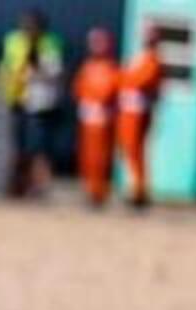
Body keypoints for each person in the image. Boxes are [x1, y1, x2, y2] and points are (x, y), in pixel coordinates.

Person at [0, 8, 63, 198]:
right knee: (16, 146)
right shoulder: (13, 41)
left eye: (32, 26)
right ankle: (16, 186)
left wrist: (36, 73)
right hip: (16, 99)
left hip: (41, 104)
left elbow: (55, 72)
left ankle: (39, 186)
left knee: (38, 147)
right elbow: (8, 68)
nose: (29, 29)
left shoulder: (50, 43)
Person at [116, 22, 163, 207]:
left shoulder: (153, 60)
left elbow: (136, 81)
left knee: (136, 152)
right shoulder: (140, 57)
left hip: (139, 111)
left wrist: (125, 79)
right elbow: (123, 79)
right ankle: (135, 188)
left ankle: (140, 191)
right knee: (129, 151)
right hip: (128, 110)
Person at [72, 27, 120, 207]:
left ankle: (99, 191)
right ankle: (90, 189)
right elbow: (78, 88)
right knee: (87, 157)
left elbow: (109, 91)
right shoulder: (88, 66)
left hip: (102, 118)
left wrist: (96, 98)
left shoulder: (110, 67)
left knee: (101, 157)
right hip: (88, 116)